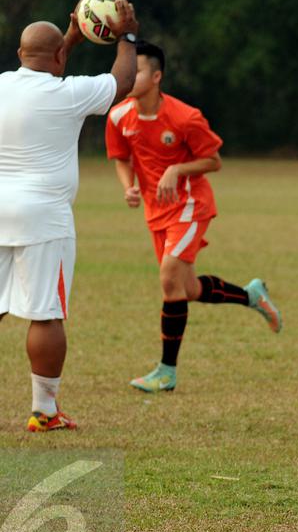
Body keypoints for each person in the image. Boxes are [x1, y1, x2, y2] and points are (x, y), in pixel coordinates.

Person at [105, 40, 282, 393]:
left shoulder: (185, 117)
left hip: (189, 205)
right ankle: (251, 295)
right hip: (156, 210)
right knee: (185, 288)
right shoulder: (118, 116)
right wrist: (129, 186)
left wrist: (178, 169)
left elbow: (214, 161)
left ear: (156, 77)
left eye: (136, 71)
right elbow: (121, 157)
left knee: (169, 277)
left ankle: (166, 372)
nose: (128, 77)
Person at [0, 0, 139, 431]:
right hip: (44, 216)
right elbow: (123, 82)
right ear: (58, 57)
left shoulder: (3, 83)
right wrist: (128, 35)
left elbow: (49, 66)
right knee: (45, 312)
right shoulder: (69, 93)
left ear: (21, 54)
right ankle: (45, 411)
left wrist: (71, 36)